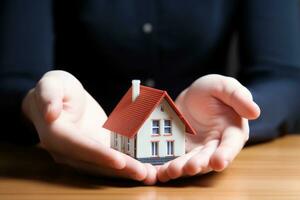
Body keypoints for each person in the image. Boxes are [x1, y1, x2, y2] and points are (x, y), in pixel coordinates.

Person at [0, 0, 299, 185]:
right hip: (64, 161)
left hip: (203, 140)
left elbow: (286, 78)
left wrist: (233, 111)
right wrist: (35, 107)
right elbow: (12, 80)